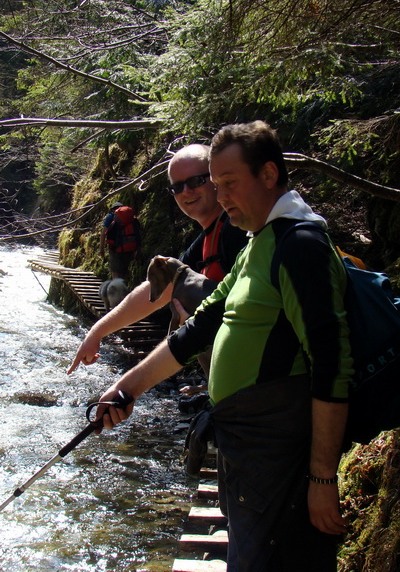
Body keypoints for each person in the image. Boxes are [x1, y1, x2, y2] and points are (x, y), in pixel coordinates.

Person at [86, 121, 355, 571]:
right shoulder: (258, 243)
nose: (221, 195)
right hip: (243, 438)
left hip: (277, 446)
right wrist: (126, 388)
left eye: (229, 183)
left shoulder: (299, 245)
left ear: (269, 175)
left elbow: (332, 366)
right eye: (216, 184)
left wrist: (322, 477)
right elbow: (200, 328)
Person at [68, 144, 248, 374]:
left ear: (216, 179)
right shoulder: (208, 237)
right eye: (177, 187)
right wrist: (97, 332)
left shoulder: (237, 232)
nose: (186, 192)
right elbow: (158, 289)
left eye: (195, 181)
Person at [100, 202, 141, 280]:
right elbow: (138, 234)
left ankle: (116, 289)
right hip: (130, 248)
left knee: (115, 271)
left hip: (116, 249)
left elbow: (103, 233)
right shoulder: (131, 219)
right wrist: (138, 250)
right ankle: (124, 287)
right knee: (124, 271)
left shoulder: (111, 217)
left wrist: (101, 249)